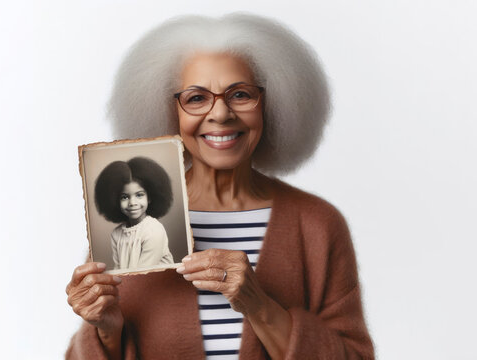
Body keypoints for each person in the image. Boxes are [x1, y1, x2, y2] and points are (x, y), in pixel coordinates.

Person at [66, 13, 375, 359]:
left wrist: (258, 305)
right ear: (170, 113)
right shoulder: (130, 218)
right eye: (196, 98)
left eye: (240, 94)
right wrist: (106, 330)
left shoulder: (317, 224)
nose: (221, 114)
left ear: (271, 106)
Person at [94, 157, 174, 270]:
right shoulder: (117, 234)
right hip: (130, 283)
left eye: (139, 195)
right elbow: (118, 269)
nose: (132, 203)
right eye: (124, 197)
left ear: (150, 197)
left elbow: (144, 272)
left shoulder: (153, 230)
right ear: (115, 200)